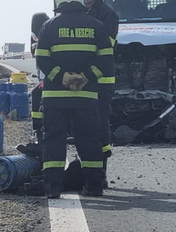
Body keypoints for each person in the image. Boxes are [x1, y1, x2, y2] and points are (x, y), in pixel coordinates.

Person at [35, 0, 114, 198]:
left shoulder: (49, 26)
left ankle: (53, 187)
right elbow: (105, 59)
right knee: (88, 139)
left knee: (54, 140)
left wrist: (63, 77)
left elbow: (42, 58)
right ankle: (94, 185)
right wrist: (85, 78)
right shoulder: (97, 25)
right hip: (85, 96)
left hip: (55, 98)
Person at [85, 0, 119, 188]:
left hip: (100, 80)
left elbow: (106, 49)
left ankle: (101, 174)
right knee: (84, 126)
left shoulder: (107, 14)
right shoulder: (82, 12)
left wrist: (87, 71)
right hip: (84, 78)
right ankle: (90, 173)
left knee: (99, 125)